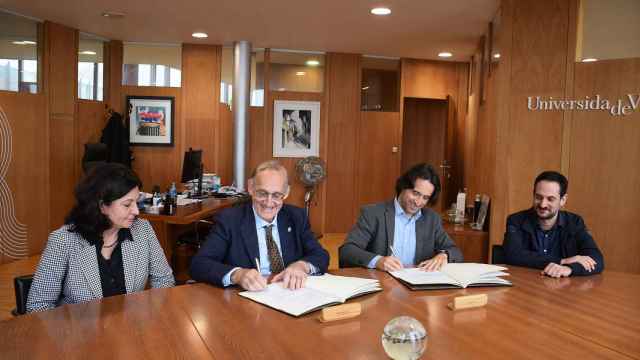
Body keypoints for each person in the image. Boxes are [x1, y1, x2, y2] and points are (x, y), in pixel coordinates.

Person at [27, 164, 175, 312]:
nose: (136, 211)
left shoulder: (142, 229)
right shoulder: (63, 241)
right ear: (102, 206)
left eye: (137, 201)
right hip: (79, 332)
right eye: (127, 204)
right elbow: (39, 305)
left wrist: (153, 317)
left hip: (132, 329)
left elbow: (164, 280)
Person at [190, 160, 329, 291]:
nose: (268, 202)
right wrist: (237, 275)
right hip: (247, 301)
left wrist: (301, 266)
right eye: (262, 193)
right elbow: (199, 264)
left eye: (276, 195)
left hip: (290, 295)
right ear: (251, 188)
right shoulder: (230, 220)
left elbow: (320, 255)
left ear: (286, 193)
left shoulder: (296, 217)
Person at [339, 163, 463, 271]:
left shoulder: (431, 219)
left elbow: (455, 251)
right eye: (416, 193)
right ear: (403, 186)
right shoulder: (373, 214)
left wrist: (444, 255)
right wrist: (378, 261)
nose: (419, 202)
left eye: (425, 197)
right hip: (382, 285)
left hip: (417, 288)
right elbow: (347, 251)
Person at [503, 171, 604, 278]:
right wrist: (562, 261)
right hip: (526, 285)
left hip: (562, 288)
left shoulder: (574, 222)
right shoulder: (516, 220)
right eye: (538, 197)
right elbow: (512, 255)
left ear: (563, 200)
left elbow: (596, 260)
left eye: (550, 199)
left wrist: (569, 269)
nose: (543, 204)